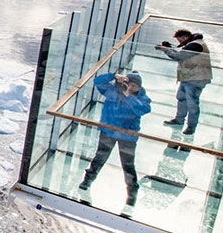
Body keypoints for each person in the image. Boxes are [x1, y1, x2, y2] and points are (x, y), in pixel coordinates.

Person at [77, 71, 152, 207]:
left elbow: (143, 109)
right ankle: (87, 181)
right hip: (108, 132)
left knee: (128, 165)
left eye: (134, 86)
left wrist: (129, 96)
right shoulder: (112, 90)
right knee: (99, 158)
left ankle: (132, 192)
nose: (130, 88)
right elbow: (97, 81)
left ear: (139, 87)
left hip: (127, 137)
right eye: (129, 84)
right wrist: (114, 76)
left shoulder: (142, 98)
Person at [156, 29, 212, 135]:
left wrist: (165, 50)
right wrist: (169, 49)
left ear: (184, 37)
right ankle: (179, 120)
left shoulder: (195, 45)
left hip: (195, 78)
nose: (179, 43)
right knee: (181, 98)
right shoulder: (195, 44)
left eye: (179, 40)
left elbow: (178, 56)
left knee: (192, 103)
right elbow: (182, 54)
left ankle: (191, 126)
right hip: (189, 77)